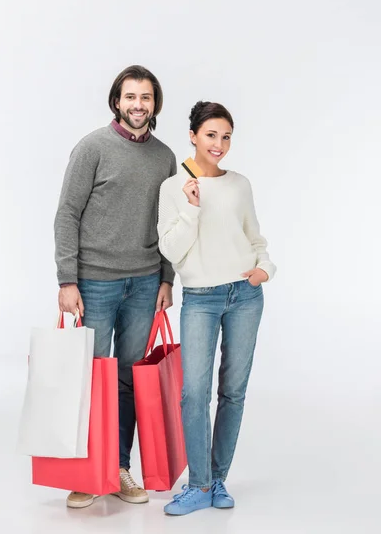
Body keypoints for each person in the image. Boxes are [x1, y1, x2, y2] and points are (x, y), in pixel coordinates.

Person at [54, 65, 176, 508]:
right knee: (91, 378)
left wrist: (166, 277)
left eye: (145, 97)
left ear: (154, 104)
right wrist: (67, 278)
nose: (138, 105)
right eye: (130, 97)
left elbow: (169, 223)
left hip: (145, 283)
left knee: (126, 380)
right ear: (117, 101)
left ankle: (119, 467)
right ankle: (87, 473)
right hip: (95, 282)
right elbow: (67, 213)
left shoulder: (164, 156)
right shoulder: (92, 148)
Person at [157, 101, 276, 515]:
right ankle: (199, 484)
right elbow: (170, 250)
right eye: (211, 135)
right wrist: (191, 207)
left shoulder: (240, 184)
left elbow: (255, 238)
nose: (219, 144)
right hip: (202, 299)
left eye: (226, 136)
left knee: (233, 392)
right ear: (193, 136)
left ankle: (218, 480)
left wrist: (265, 269)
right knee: (194, 394)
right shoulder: (174, 187)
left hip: (245, 296)